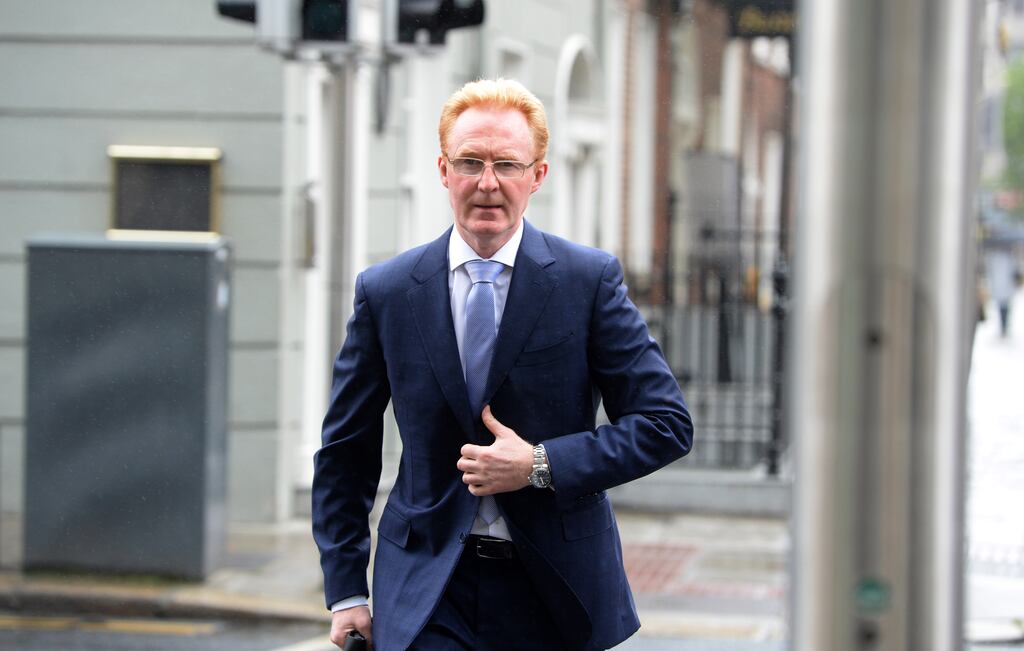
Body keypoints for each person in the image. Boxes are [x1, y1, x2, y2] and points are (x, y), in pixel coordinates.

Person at [312, 78, 693, 651]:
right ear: (444, 171)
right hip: (428, 588)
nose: (488, 183)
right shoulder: (387, 292)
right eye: (470, 162)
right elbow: (346, 451)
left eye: (507, 164)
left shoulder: (587, 282)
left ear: (537, 175)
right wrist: (346, 592)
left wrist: (540, 463)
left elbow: (666, 424)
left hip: (556, 590)